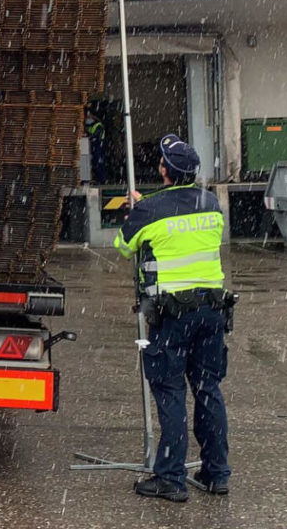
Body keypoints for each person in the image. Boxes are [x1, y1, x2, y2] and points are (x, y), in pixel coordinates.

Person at [114, 135, 231, 502]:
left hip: (171, 316)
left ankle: (171, 478)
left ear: (163, 169)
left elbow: (123, 245)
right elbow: (183, 220)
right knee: (208, 390)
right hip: (213, 311)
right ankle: (216, 474)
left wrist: (138, 210)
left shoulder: (150, 209)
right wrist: (150, 206)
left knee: (170, 393)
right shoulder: (210, 202)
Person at [85, 109, 106, 184]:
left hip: (98, 146)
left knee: (98, 162)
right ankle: (97, 178)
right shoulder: (90, 125)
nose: (87, 118)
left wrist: (88, 136)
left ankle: (101, 179)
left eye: (89, 116)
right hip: (93, 146)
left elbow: (95, 135)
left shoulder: (98, 125)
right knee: (94, 162)